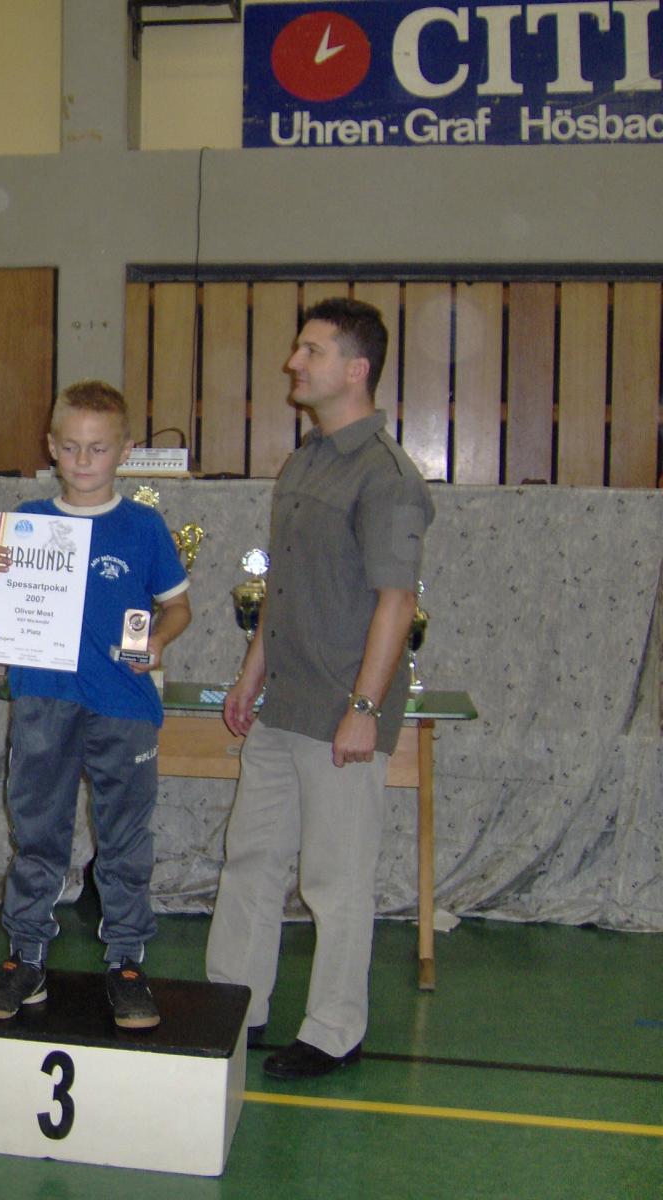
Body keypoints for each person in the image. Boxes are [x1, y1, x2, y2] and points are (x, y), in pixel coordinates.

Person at [205, 298, 434, 1079]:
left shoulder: (388, 479)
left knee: (335, 882)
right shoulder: (305, 460)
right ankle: (234, 1006)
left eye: (310, 350)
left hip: (342, 710)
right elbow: (286, 584)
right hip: (283, 703)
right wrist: (250, 674)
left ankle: (335, 1031)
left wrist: (364, 711)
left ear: (356, 369)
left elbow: (396, 603)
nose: (293, 362)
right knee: (251, 860)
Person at [0, 380, 191, 1029]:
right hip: (43, 699)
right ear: (51, 446)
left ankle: (127, 961)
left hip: (124, 705)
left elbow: (178, 607)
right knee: (37, 835)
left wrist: (158, 642)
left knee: (124, 840)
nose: (83, 460)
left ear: (125, 450)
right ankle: (26, 957)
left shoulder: (143, 527)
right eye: (70, 447)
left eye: (98, 448)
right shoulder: (27, 521)